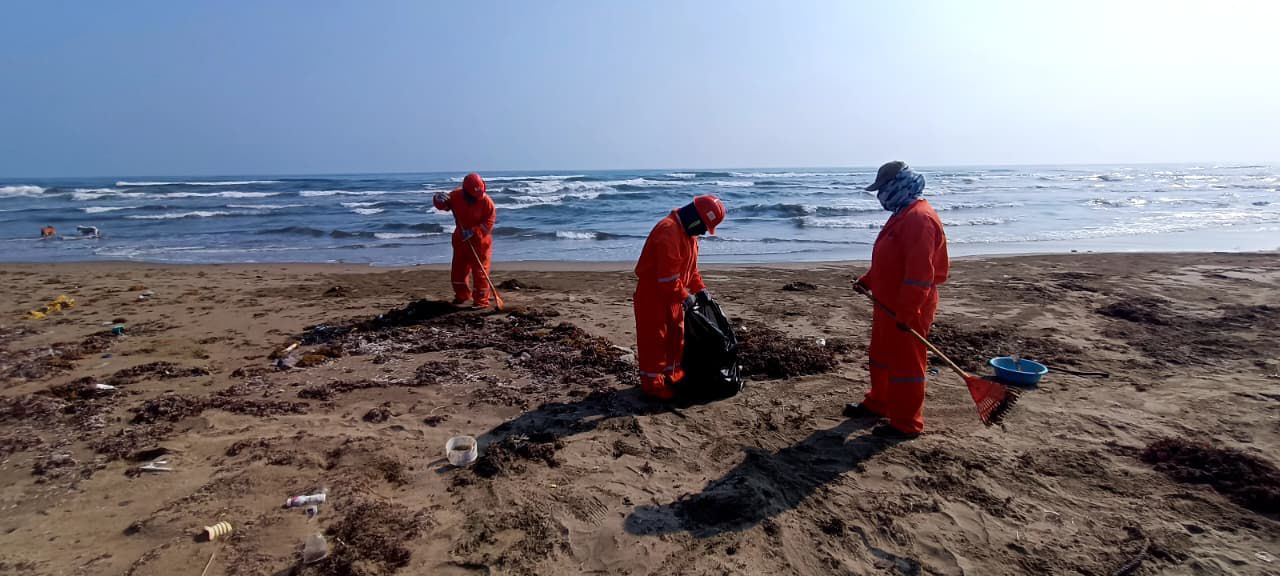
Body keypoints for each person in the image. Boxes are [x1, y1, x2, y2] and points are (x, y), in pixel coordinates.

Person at [846, 161, 949, 438]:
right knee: (880, 356)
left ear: (899, 185)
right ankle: (879, 403)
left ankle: (906, 423)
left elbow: (920, 274)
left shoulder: (920, 219)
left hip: (910, 306)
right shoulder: (903, 213)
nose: (880, 196)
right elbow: (891, 260)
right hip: (887, 301)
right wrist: (868, 281)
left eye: (883, 189)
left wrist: (907, 311)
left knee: (906, 365)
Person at [633, 194, 726, 400]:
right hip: (653, 298)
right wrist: (687, 297)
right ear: (695, 218)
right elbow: (666, 279)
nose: (703, 231)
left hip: (674, 297)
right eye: (703, 226)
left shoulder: (689, 237)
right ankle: (652, 386)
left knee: (676, 338)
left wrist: (700, 290)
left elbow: (690, 271)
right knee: (655, 342)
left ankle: (672, 377)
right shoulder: (668, 232)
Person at [433, 173, 497, 307]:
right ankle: (462, 296)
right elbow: (444, 206)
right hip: (461, 240)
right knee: (458, 271)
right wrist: (438, 200)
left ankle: (481, 301)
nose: (476, 199)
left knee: (480, 272)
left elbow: (488, 224)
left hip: (480, 243)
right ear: (465, 192)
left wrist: (474, 232)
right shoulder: (456, 196)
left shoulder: (487, 203)